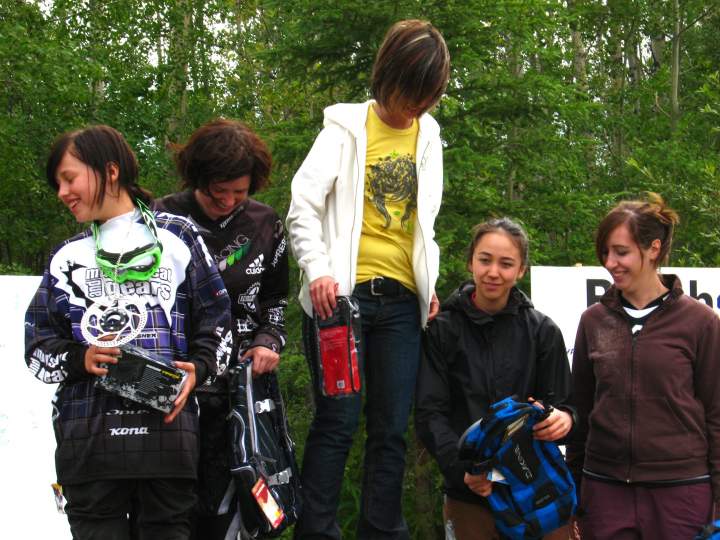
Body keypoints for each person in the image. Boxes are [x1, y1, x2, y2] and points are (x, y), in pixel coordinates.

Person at [25, 125, 232, 540]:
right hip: (88, 445)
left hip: (167, 441)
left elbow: (218, 320)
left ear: (111, 170)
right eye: (58, 184)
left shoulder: (177, 236)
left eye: (69, 178)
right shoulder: (69, 255)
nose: (62, 192)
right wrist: (78, 358)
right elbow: (37, 346)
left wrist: (200, 370)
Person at [285, 19, 450, 539]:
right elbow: (302, 209)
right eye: (410, 93)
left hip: (403, 303)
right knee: (337, 421)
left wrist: (428, 282)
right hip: (342, 301)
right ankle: (318, 531)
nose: (415, 107)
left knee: (391, 429)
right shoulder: (345, 128)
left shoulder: (429, 137)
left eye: (427, 97)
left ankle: (383, 532)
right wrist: (318, 271)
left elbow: (423, 224)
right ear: (389, 75)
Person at [155, 118, 289, 539]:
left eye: (241, 192)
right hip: (175, 382)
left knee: (237, 506)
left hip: (240, 389)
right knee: (172, 504)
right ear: (198, 179)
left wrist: (269, 341)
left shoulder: (266, 224)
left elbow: (275, 302)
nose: (229, 201)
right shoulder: (161, 218)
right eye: (219, 192)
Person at [566, 193, 720, 540]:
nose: (610, 262)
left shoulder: (701, 322)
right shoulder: (593, 321)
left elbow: (716, 415)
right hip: (604, 491)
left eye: (621, 252)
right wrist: (573, 492)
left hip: (681, 492)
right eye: (605, 252)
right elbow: (581, 412)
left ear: (653, 249)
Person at [415, 218, 574, 539]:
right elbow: (429, 414)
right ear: (470, 261)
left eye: (506, 264)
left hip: (538, 490)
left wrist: (566, 419)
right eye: (485, 260)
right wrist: (465, 473)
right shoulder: (442, 331)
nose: (493, 272)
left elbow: (567, 406)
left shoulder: (543, 331)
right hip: (472, 494)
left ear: (521, 271)